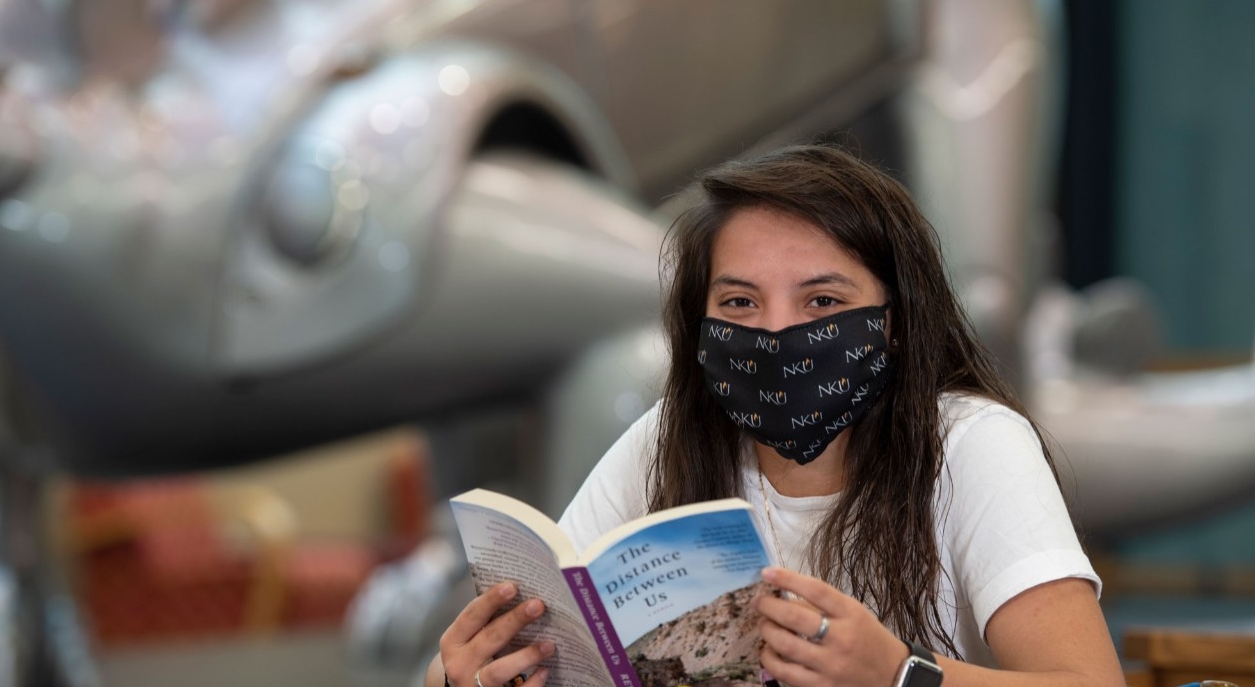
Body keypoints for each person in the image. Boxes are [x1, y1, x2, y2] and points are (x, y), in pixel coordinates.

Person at [427, 143, 1124, 687]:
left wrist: (898, 676)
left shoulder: (973, 445)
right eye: (739, 303)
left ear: (897, 324)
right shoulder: (666, 443)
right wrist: (463, 675)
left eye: (822, 302)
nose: (777, 333)